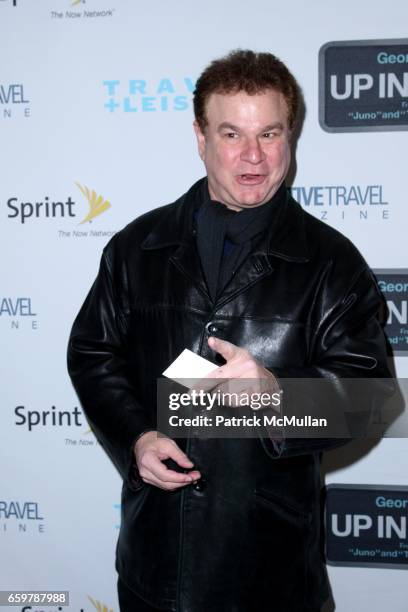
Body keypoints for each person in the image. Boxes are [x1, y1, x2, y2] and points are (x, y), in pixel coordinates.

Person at [68, 50, 392, 612]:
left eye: (270, 133)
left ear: (290, 136)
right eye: (231, 133)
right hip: (154, 566)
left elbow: (371, 399)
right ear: (199, 137)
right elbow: (94, 354)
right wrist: (136, 437)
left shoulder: (332, 263)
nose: (253, 157)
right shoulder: (135, 248)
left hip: (271, 575)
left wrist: (276, 396)